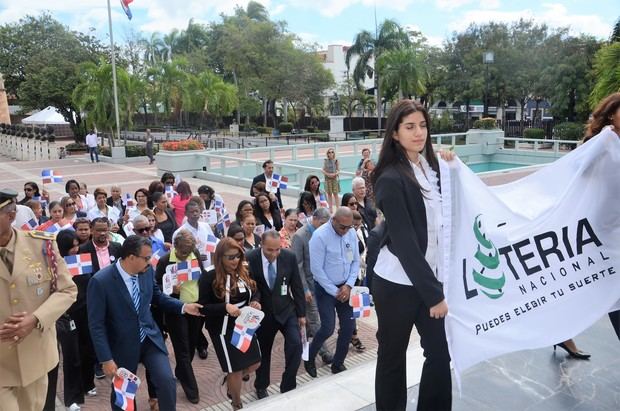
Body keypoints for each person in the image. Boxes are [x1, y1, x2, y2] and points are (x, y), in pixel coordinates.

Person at [372, 99, 453, 411]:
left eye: (422, 125)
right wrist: (435, 295)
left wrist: (451, 166)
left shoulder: (429, 168)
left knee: (439, 353)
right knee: (392, 357)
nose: (419, 132)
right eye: (409, 127)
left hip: (428, 278)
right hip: (396, 284)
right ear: (394, 133)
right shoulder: (390, 178)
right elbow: (405, 243)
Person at [87, 235, 203, 411]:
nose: (150, 262)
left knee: (166, 381)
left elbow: (157, 296)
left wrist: (183, 307)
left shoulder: (146, 271)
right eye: (146, 258)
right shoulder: (100, 281)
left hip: (149, 339)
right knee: (124, 397)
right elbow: (96, 325)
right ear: (131, 257)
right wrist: (106, 358)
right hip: (122, 346)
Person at [0, 188, 77, 411]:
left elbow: (66, 290)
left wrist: (35, 319)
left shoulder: (42, 245)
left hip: (35, 355)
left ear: (11, 216)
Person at [197, 238, 262, 411]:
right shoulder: (209, 276)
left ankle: (232, 383)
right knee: (234, 368)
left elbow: (256, 290)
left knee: (255, 363)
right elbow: (202, 307)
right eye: (230, 257)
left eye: (238, 256)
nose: (235, 261)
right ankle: (236, 402)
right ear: (220, 257)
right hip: (223, 327)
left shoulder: (244, 269)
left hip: (244, 322)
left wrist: (255, 301)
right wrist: (224, 307)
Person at [246, 231, 305, 397]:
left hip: (287, 310)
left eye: (277, 249)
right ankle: (261, 385)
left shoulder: (289, 257)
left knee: (295, 345)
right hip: (264, 314)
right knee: (264, 353)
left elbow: (297, 286)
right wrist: (253, 301)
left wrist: (301, 314)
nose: (274, 254)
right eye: (269, 250)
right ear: (261, 245)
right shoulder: (250, 258)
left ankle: (288, 384)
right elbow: (249, 286)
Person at [44, 230, 95, 411]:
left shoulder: (83, 260)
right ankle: (72, 398)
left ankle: (88, 384)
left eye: (77, 245)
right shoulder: (54, 265)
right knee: (71, 357)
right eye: (71, 246)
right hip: (66, 316)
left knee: (87, 350)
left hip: (85, 312)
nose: (75, 249)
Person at [305, 207, 360, 377]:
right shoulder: (320, 236)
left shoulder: (350, 233)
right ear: (333, 220)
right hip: (326, 289)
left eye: (349, 227)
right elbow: (316, 270)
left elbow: (356, 261)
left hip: (346, 287)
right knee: (327, 327)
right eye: (342, 227)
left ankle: (338, 363)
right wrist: (335, 291)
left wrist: (349, 285)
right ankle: (310, 356)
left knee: (348, 327)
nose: (345, 231)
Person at [155, 230, 205, 404]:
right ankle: (192, 389)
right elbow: (157, 290)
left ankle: (181, 372)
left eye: (188, 253)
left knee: (191, 345)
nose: (185, 256)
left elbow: (202, 276)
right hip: (176, 311)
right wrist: (171, 291)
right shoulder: (164, 262)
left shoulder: (195, 255)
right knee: (182, 350)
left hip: (196, 308)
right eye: (183, 253)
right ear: (175, 247)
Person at [172, 201, 216, 268]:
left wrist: (213, 265)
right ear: (186, 213)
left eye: (196, 211)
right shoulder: (179, 232)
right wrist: (195, 257)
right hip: (190, 270)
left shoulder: (206, 226)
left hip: (208, 266)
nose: (195, 214)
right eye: (192, 212)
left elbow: (213, 246)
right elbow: (175, 255)